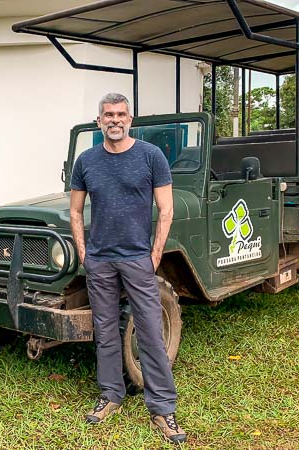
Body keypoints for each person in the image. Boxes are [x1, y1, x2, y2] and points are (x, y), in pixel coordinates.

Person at [69, 93, 186, 444]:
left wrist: (155, 254)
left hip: (137, 258)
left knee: (149, 330)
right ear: (99, 121)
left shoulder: (151, 156)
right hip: (100, 260)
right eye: (108, 115)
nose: (114, 120)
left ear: (130, 119)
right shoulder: (87, 161)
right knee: (105, 330)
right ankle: (111, 396)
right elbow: (76, 211)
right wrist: (84, 251)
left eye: (120, 114)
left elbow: (166, 209)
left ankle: (163, 409)